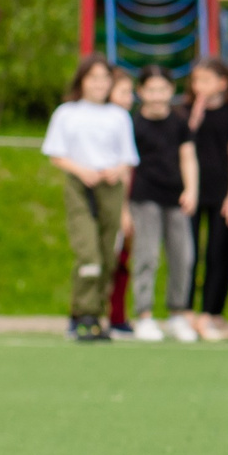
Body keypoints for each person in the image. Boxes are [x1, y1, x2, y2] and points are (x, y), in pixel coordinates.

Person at [43, 54, 138, 343]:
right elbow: (55, 154)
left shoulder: (118, 116)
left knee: (108, 255)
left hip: (110, 187)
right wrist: (82, 170)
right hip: (80, 185)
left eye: (104, 78)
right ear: (82, 80)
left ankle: (92, 312)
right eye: (93, 78)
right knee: (89, 253)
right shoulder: (67, 113)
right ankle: (84, 313)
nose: (99, 84)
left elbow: (128, 158)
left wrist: (114, 170)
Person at [125, 66, 201, 343]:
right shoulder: (134, 124)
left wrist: (191, 189)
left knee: (183, 256)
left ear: (171, 91)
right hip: (144, 197)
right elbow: (126, 166)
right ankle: (144, 314)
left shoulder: (179, 123)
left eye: (162, 89)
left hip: (176, 197)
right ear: (141, 92)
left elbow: (188, 156)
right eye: (151, 90)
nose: (157, 96)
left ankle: (177, 313)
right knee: (147, 255)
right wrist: (125, 207)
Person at [183, 57, 228, 342]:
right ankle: (184, 312)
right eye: (197, 81)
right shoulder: (186, 112)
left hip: (221, 193)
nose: (200, 87)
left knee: (217, 254)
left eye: (207, 80)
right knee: (188, 253)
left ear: (222, 83)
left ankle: (208, 313)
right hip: (193, 192)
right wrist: (195, 115)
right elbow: (181, 144)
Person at [105, 68, 138, 336]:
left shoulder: (126, 121)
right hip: (111, 203)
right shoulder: (110, 124)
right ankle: (98, 313)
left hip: (129, 200)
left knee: (123, 260)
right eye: (124, 92)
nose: (130, 98)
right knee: (108, 260)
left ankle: (117, 316)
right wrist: (123, 210)